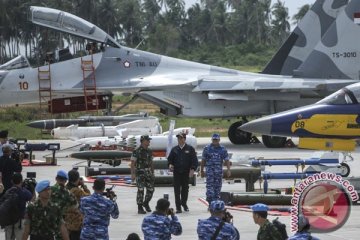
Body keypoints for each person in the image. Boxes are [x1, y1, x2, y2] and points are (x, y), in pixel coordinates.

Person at [167, 133, 198, 213]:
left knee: (185, 189)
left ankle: (184, 204)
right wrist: (170, 165)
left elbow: (194, 160)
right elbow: (170, 160)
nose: (180, 140)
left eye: (181, 138)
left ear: (185, 139)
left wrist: (192, 169)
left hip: (186, 172)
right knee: (176, 190)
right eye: (179, 138)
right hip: (177, 172)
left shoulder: (190, 149)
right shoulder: (174, 149)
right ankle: (178, 207)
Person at [201, 133, 231, 204]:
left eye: (216, 140)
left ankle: (216, 203)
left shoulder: (222, 149)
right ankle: (210, 203)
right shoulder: (206, 148)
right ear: (212, 140)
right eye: (214, 140)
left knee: (217, 189)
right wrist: (201, 170)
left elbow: (226, 160)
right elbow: (203, 160)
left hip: (218, 172)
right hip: (209, 172)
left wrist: (228, 170)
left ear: (219, 140)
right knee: (210, 189)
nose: (215, 141)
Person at [4, 173, 33, 240]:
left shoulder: (8, 192)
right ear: (21, 180)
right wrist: (32, 190)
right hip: (20, 221)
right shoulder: (24, 192)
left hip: (9, 221)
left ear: (11, 181)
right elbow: (32, 199)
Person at [131, 135, 155, 214]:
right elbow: (132, 163)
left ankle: (146, 202)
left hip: (148, 173)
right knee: (140, 190)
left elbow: (151, 162)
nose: (149, 142)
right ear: (143, 141)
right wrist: (133, 174)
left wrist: (153, 172)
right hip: (140, 173)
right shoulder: (136, 151)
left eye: (149, 140)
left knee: (151, 189)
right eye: (147, 140)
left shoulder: (149, 151)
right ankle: (140, 207)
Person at [50, 170, 77, 240]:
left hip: (48, 222)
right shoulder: (69, 193)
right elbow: (75, 207)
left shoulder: (48, 190)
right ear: (66, 181)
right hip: (62, 223)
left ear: (56, 178)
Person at [65, 169, 91, 240]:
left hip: (66, 222)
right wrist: (83, 186)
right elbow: (88, 197)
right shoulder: (77, 191)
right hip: (76, 223)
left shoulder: (65, 188)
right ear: (77, 179)